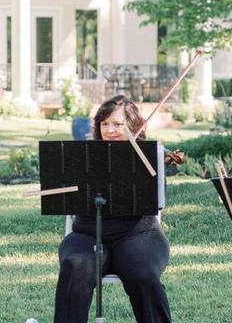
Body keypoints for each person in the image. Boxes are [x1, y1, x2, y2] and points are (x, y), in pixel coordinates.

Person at [53, 95, 172, 323]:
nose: (110, 130)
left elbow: (155, 200)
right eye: (104, 124)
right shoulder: (83, 157)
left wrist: (153, 166)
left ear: (134, 126)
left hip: (139, 235)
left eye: (118, 124)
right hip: (86, 235)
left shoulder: (146, 157)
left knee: (143, 275)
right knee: (74, 266)